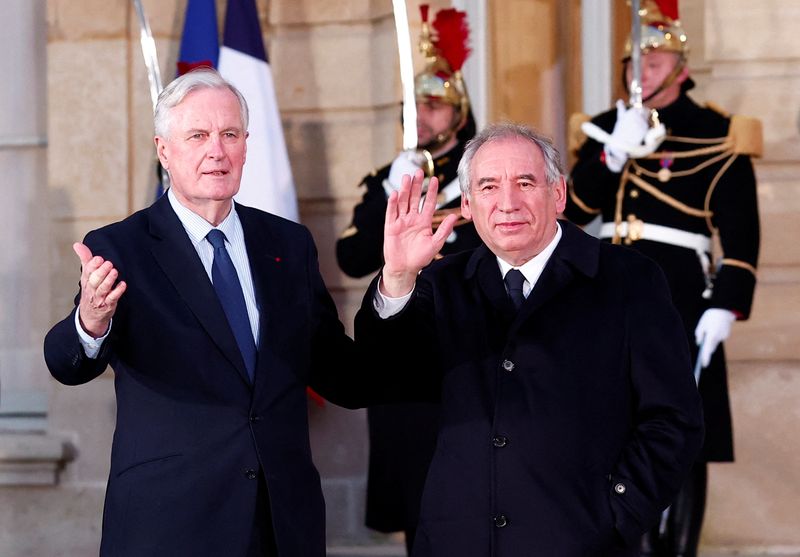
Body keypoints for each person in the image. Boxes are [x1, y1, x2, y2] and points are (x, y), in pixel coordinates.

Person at [43, 68, 361, 557]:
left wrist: (398, 284)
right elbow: (67, 363)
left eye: (229, 134)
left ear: (246, 145)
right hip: (170, 526)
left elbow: (342, 375)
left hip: (280, 525)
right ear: (164, 149)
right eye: (198, 135)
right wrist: (91, 320)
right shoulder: (120, 247)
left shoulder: (288, 245)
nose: (217, 150)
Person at [354, 122, 705, 557]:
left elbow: (673, 419)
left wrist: (618, 510)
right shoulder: (438, 285)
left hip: (583, 542)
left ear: (557, 194)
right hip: (456, 541)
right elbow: (375, 376)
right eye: (488, 187)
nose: (507, 203)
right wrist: (398, 277)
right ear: (466, 203)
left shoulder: (629, 280)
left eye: (525, 182)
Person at [564, 2, 760, 555]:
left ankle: (678, 548)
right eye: (634, 65)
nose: (640, 75)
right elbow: (572, 212)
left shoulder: (717, 132)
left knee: (681, 431)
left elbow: (741, 236)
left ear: (680, 67)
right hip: (604, 294)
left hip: (678, 297)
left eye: (654, 64)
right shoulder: (605, 129)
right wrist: (614, 153)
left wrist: (727, 304)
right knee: (610, 426)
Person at [335, 7, 480, 552]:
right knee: (414, 502)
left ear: (459, 111)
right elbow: (351, 257)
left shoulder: (479, 174)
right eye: (416, 103)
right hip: (403, 353)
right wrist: (389, 196)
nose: (423, 112)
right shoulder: (388, 178)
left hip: (466, 349)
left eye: (435, 103)